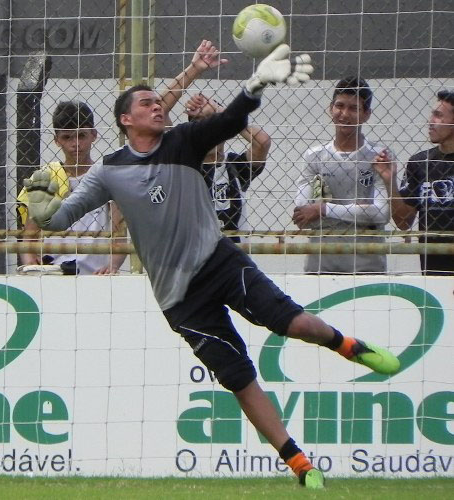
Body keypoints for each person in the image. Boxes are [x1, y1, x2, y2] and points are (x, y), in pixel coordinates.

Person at [22, 44, 399, 489]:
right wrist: (44, 209)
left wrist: (257, 82)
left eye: (158, 101)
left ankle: (347, 344)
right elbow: (62, 219)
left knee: (293, 324)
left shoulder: (183, 140)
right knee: (239, 377)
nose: (156, 106)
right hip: (178, 298)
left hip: (220, 262)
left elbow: (231, 122)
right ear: (126, 119)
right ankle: (298, 462)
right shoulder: (109, 170)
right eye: (146, 103)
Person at [292, 77, 391, 274]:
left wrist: (323, 209)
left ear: (366, 114)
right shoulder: (315, 156)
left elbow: (381, 214)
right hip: (321, 263)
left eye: (354, 108)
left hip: (367, 266)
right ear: (331, 108)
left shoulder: (378, 156)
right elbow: (302, 213)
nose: (344, 114)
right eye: (339, 106)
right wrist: (360, 211)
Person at [17, 101, 126, 275]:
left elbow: (119, 235)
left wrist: (112, 266)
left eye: (81, 135)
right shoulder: (45, 177)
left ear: (93, 135)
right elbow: (29, 235)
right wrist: (30, 263)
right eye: (67, 137)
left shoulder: (107, 177)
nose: (75, 144)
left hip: (96, 274)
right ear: (56, 140)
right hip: (52, 271)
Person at [373, 89, 454, 275]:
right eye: (432, 114)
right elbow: (403, 222)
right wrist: (389, 180)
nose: (431, 121)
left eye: (438, 116)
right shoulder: (420, 163)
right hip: (433, 271)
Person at [185, 93, 270, 241]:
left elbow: (263, 142)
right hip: (195, 253)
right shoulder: (183, 165)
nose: (208, 131)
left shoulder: (235, 165)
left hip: (234, 254)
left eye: (213, 124)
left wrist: (221, 112)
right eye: (201, 125)